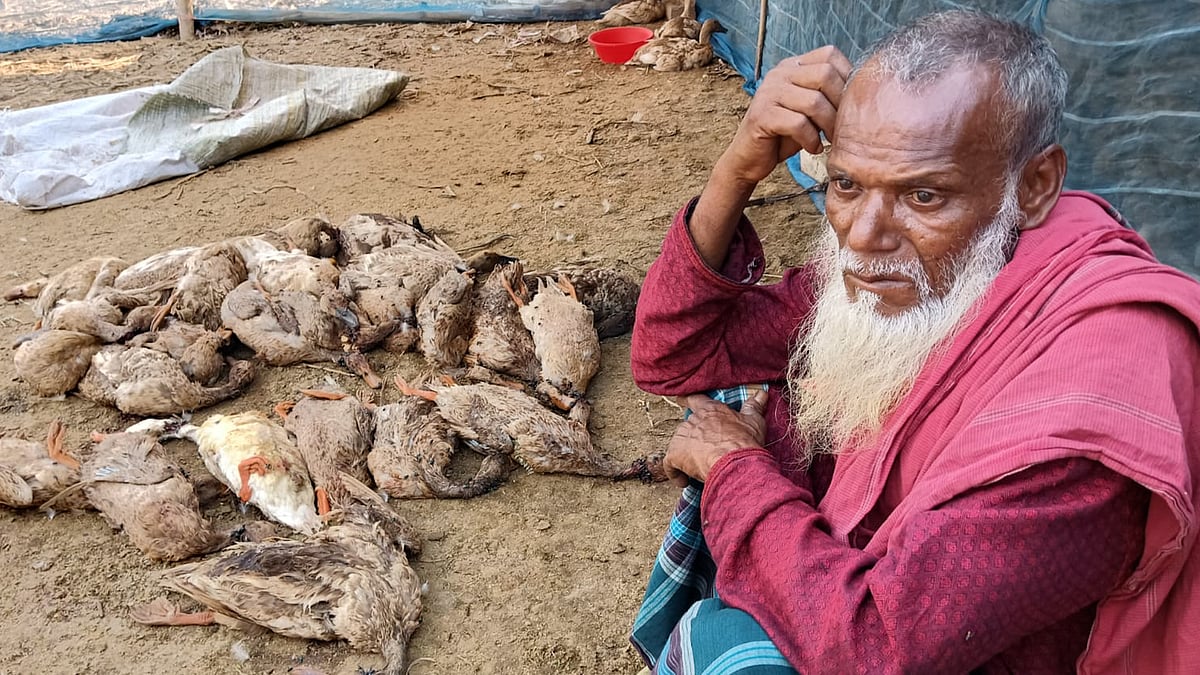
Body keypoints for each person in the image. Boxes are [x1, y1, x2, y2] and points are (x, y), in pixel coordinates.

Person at [628, 9, 1200, 675]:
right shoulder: (920, 269)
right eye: (845, 183)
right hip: (859, 596)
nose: (864, 235)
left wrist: (735, 470)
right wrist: (736, 167)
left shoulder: (1092, 407)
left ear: (1034, 187)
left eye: (923, 194)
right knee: (759, 399)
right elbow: (673, 353)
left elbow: (873, 647)